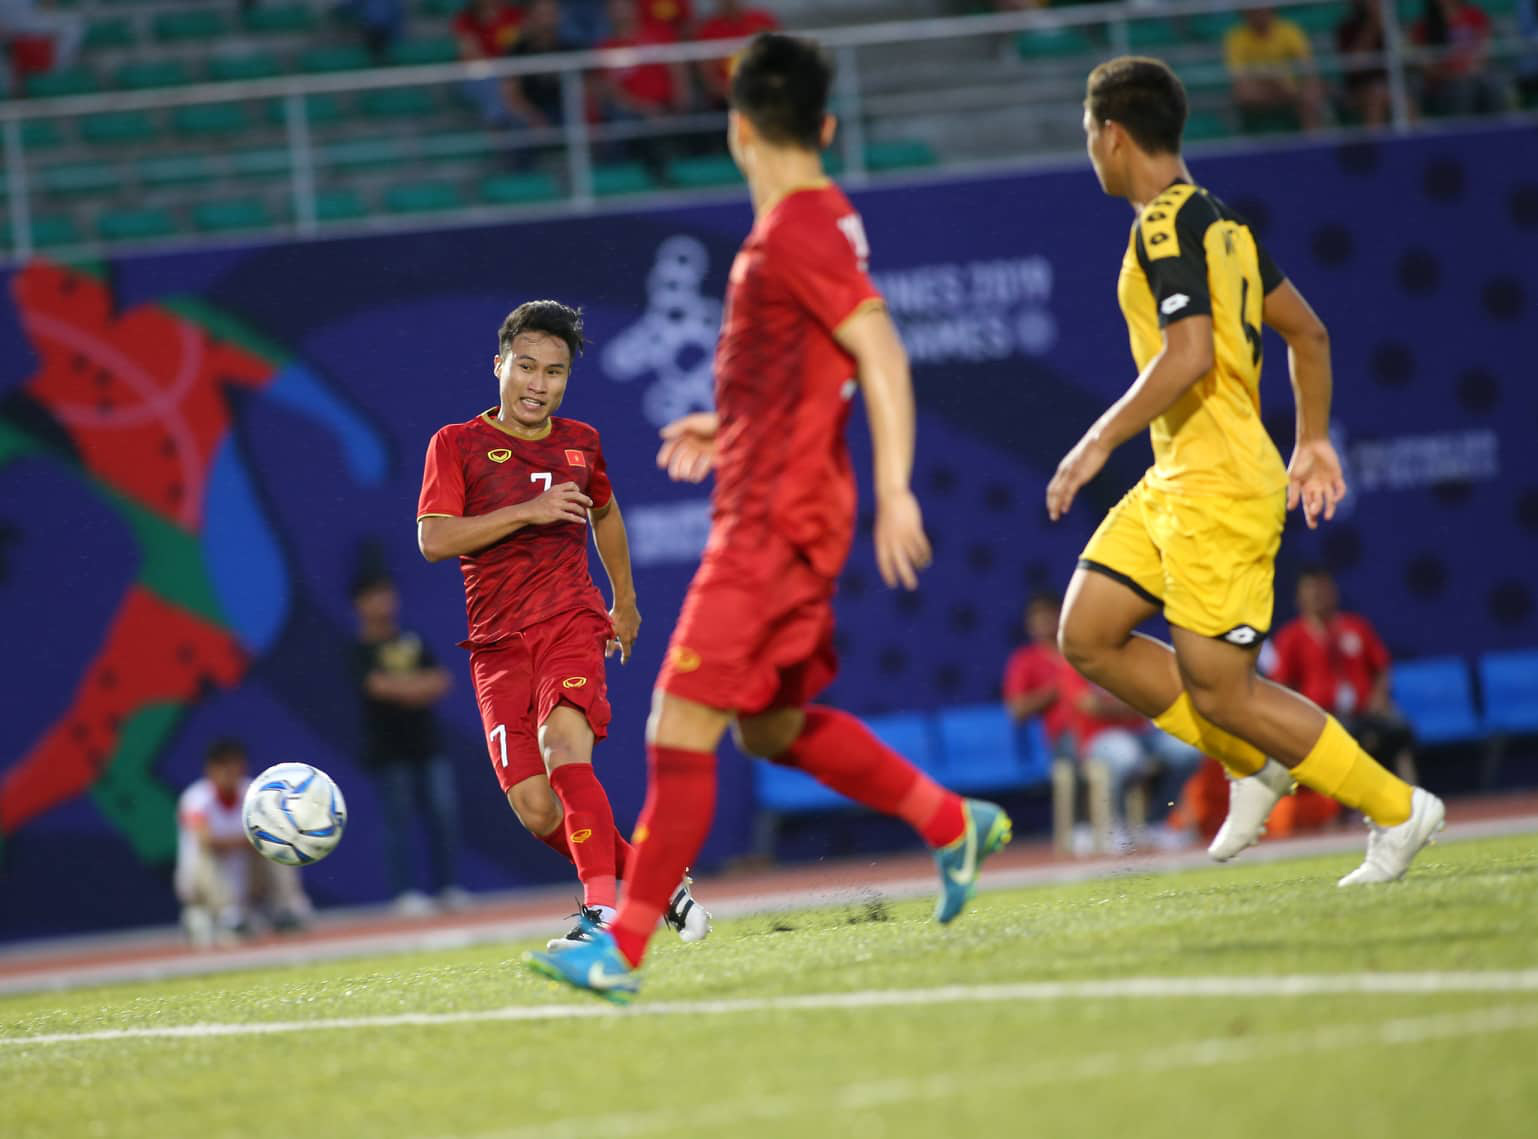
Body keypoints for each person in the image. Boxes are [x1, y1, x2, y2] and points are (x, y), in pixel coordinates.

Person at [527, 33, 1013, 1003]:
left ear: (735, 128)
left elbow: (879, 349)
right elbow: (818, 361)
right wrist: (736, 421)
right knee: (769, 726)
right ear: (824, 126)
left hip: (770, 525)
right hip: (790, 508)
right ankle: (950, 821)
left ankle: (620, 947)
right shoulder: (820, 219)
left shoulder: (789, 232)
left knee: (675, 723)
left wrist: (897, 487)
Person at [1047, 57, 1444, 889]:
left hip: (1217, 489)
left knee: (1225, 692)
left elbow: (1188, 356)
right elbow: (1311, 334)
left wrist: (1095, 439)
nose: (1089, 151)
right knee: (1086, 634)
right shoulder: (1224, 223)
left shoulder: (1162, 226)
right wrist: (1314, 440)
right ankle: (1255, 768)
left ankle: (1399, 808)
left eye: (1089, 135)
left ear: (1113, 135)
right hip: (1175, 479)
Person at [416, 299, 709, 950]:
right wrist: (530, 509)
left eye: (554, 372)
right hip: (494, 647)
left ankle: (602, 915)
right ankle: (656, 883)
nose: (538, 384)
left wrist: (624, 601)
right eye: (526, 367)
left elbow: (604, 513)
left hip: (568, 620)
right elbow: (434, 540)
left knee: (564, 751)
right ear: (499, 366)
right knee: (534, 807)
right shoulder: (455, 444)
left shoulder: (581, 442)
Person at [353, 569, 469, 915]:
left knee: (444, 814)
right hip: (389, 749)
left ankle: (448, 887)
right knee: (397, 821)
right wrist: (415, 688)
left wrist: (401, 688)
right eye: (374, 596)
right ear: (360, 604)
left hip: (427, 743)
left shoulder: (412, 639)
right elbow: (376, 687)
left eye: (387, 593)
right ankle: (404, 893)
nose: (383, 602)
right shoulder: (359, 648)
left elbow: (441, 680)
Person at [1269, 567, 1417, 783]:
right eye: (1311, 590)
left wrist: (1379, 698)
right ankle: (1338, 808)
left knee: (1399, 727)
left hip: (1366, 713)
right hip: (1322, 719)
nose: (1318, 595)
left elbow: (1382, 668)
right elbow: (1282, 685)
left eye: (1322, 588)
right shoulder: (1290, 637)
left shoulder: (1356, 626)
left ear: (1333, 591)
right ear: (1300, 597)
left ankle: (1412, 796)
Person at [175, 738, 311, 947]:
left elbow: (276, 831)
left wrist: (257, 841)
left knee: (277, 844)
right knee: (210, 851)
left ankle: (285, 908)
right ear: (211, 769)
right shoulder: (195, 797)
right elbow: (206, 840)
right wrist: (251, 839)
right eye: (223, 765)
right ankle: (227, 915)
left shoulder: (255, 793)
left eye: (235, 763)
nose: (230, 771)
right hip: (202, 883)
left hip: (248, 878)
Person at [1223, 7, 1324, 131]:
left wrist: (1305, 85)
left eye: (1262, 9)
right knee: (1243, 93)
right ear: (1245, 14)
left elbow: (1307, 65)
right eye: (1254, 11)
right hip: (1259, 88)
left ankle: (1314, 142)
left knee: (1311, 91)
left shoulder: (1289, 29)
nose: (1259, 15)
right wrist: (1270, 81)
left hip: (1289, 86)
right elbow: (1238, 76)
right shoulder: (1235, 36)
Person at [1413, 0, 1501, 117]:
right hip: (1444, 84)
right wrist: (1452, 74)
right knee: (1463, 87)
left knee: (1492, 82)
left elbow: (1485, 49)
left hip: (1476, 75)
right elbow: (1425, 65)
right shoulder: (1423, 25)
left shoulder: (1475, 15)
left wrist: (1472, 68)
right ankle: (1463, 131)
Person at [693, 0, 778, 111]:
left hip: (764, 97)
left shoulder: (763, 20)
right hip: (726, 102)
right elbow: (709, 80)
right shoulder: (708, 29)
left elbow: (779, 62)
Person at [454, 0, 525, 127]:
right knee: (492, 87)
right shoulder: (465, 20)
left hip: (514, 74)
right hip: (484, 78)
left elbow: (522, 48)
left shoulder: (513, 14)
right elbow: (470, 56)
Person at [1336, 0, 1392, 127]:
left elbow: (1404, 54)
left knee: (1403, 98)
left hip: (1390, 86)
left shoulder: (1390, 24)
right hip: (1357, 89)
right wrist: (1373, 24)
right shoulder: (1346, 28)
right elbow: (1355, 64)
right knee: (1376, 96)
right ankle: (1375, 145)